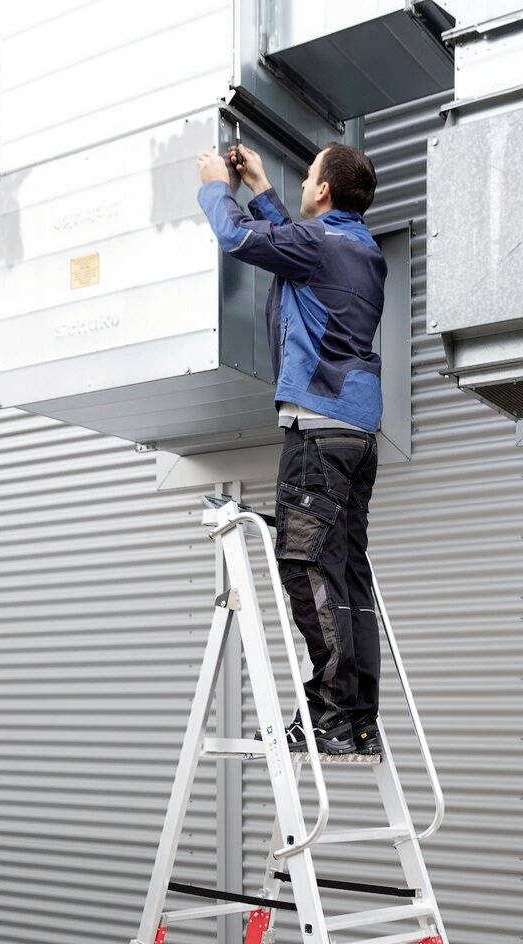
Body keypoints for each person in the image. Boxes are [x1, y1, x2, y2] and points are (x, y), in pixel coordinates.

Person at [196, 140, 386, 756]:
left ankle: (329, 711)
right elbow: (297, 245)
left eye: (307, 178)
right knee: (349, 575)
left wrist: (215, 188)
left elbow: (241, 240)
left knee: (305, 565)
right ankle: (356, 719)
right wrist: (261, 187)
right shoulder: (360, 251)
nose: (302, 185)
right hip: (357, 434)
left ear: (325, 190)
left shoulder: (320, 246)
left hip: (316, 431)